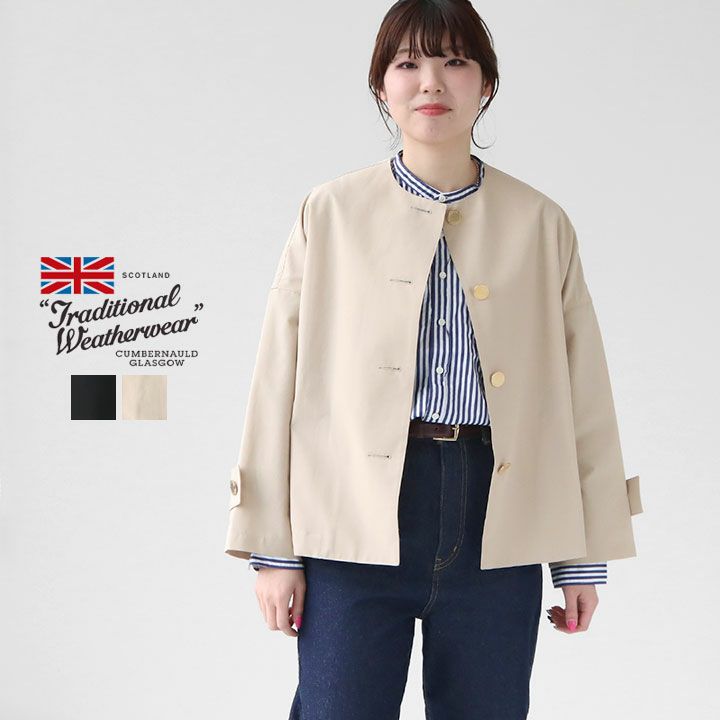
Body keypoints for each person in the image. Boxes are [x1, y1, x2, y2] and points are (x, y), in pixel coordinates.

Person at [225, 1, 643, 717]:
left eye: (454, 61)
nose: (431, 82)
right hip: (352, 517)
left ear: (486, 84)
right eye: (408, 63)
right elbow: (277, 382)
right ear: (381, 85)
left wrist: (580, 556)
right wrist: (274, 549)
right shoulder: (329, 213)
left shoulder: (540, 223)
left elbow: (582, 391)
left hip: (498, 517)